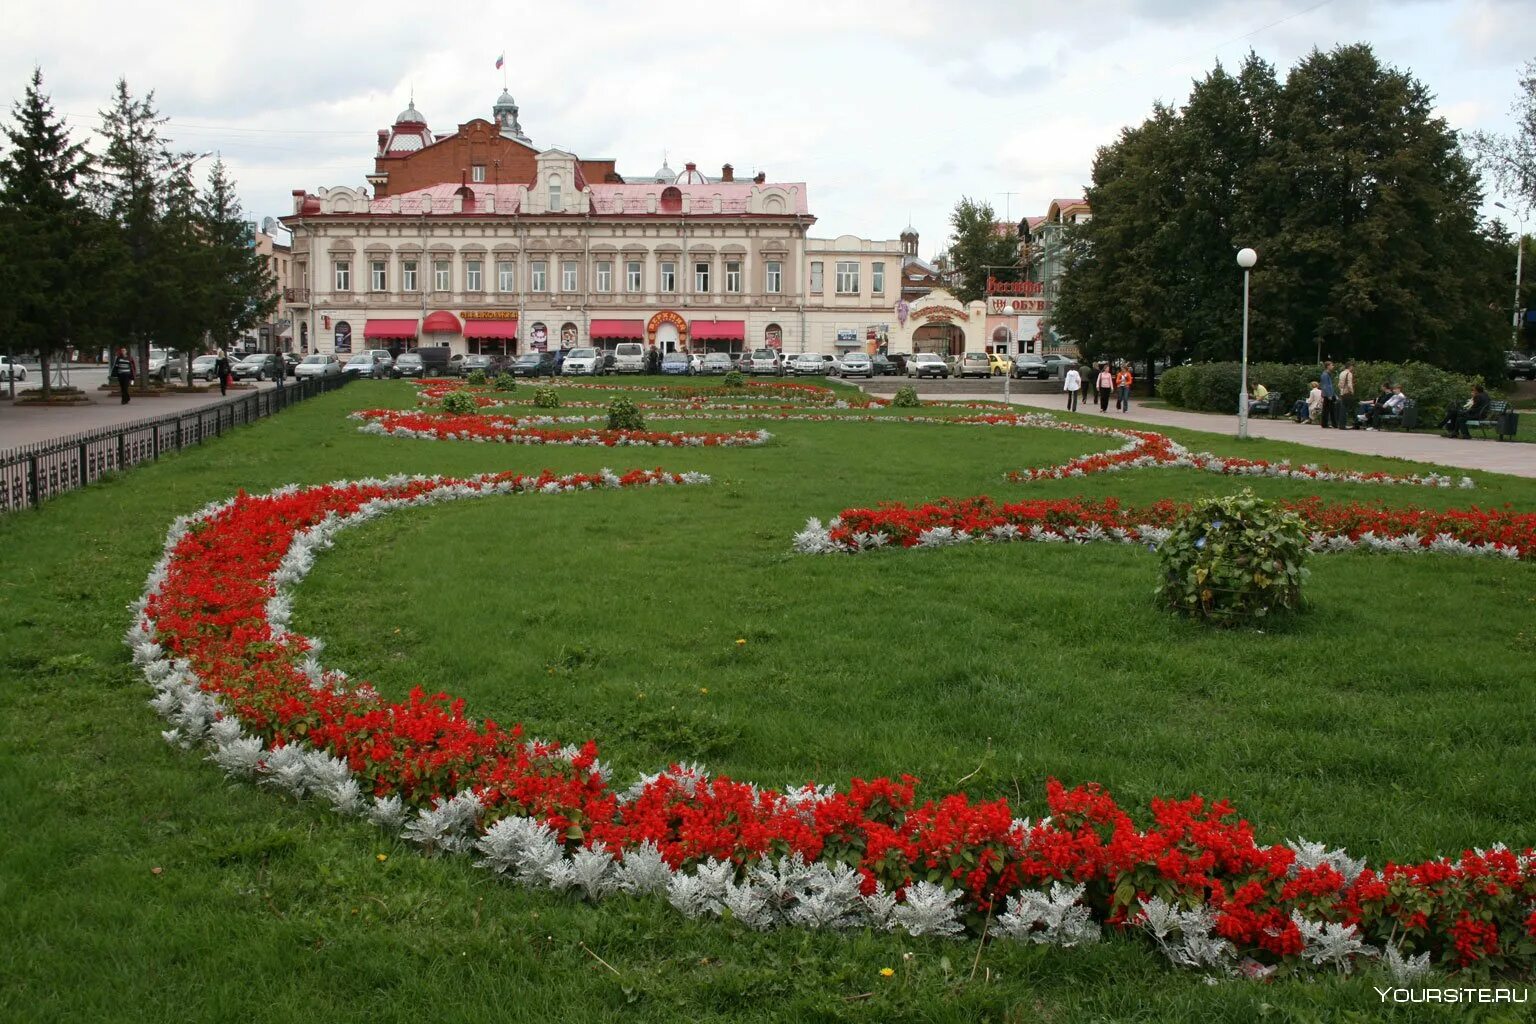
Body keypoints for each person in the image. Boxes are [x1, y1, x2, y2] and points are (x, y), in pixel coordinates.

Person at [1337, 361, 1356, 428]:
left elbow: (1339, 384)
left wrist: (1341, 390)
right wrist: (1352, 391)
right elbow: (1349, 384)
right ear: (1350, 366)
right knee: (1346, 409)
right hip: (1347, 392)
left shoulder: (1341, 373)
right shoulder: (1349, 373)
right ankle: (1344, 424)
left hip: (1342, 392)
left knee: (1342, 408)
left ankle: (1341, 424)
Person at [1319, 361, 1336, 429]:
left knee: (1331, 409)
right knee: (1326, 409)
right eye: (1332, 365)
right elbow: (1325, 385)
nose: (1333, 366)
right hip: (1327, 395)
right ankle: (1324, 423)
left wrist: (1333, 394)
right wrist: (1329, 395)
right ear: (1328, 366)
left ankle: (1334, 423)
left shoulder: (1327, 374)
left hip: (1330, 394)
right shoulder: (1325, 375)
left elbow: (1329, 385)